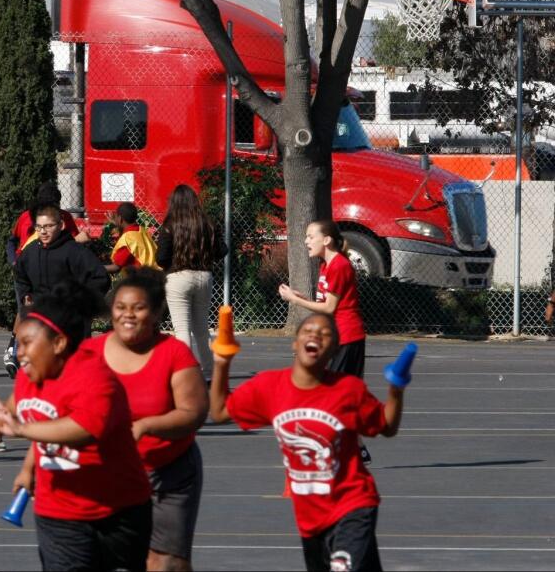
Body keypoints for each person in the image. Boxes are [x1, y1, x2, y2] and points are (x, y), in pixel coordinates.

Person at [0, 283, 153, 572]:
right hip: (59, 512)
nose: (19, 352)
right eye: (18, 344)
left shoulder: (94, 376)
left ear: (59, 343)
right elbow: (17, 404)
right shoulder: (32, 374)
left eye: (27, 342)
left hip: (118, 510)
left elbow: (84, 429)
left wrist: (22, 431)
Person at [210, 313, 405, 572]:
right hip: (310, 517)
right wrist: (222, 363)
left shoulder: (348, 390)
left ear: (334, 350)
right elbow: (220, 411)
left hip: (352, 504)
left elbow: (386, 426)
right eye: (308, 330)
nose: (315, 335)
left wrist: (396, 391)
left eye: (324, 334)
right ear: (295, 343)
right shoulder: (270, 386)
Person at [82, 268, 208, 571]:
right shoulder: (88, 353)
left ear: (155, 314)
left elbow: (194, 412)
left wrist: (148, 426)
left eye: (138, 308)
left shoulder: (174, 353)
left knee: (165, 563)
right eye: (121, 308)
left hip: (168, 472)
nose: (129, 315)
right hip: (109, 474)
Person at [277, 220, 371, 463]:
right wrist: (301, 297)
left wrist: (295, 301)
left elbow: (330, 307)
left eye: (311, 236)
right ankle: (354, 447)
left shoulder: (339, 265)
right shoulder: (326, 265)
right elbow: (324, 303)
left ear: (326, 240)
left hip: (347, 339)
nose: (306, 241)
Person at [4, 182, 90, 377]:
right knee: (27, 309)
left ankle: (21, 348)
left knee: (36, 312)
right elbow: (12, 240)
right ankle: (17, 349)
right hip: (28, 267)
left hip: (52, 268)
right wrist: (14, 261)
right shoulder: (27, 217)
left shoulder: (64, 218)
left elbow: (70, 243)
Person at [15, 204, 110, 341]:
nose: (43, 231)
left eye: (48, 226)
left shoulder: (75, 252)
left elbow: (100, 278)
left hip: (72, 323)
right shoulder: (30, 251)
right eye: (39, 227)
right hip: (41, 321)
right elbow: (20, 274)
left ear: (61, 225)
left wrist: (80, 302)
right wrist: (26, 295)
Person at [156, 185, 225, 373]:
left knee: (182, 328)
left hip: (178, 277)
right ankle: (210, 371)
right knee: (202, 329)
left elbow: (161, 257)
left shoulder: (170, 225)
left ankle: (185, 372)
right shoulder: (207, 223)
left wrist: (172, 264)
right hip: (204, 276)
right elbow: (222, 250)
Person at [105, 202, 159, 274]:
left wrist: (93, 268)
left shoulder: (127, 240)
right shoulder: (141, 230)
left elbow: (116, 267)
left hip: (144, 279)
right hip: (156, 273)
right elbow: (126, 232)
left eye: (117, 217)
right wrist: (117, 224)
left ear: (120, 219)